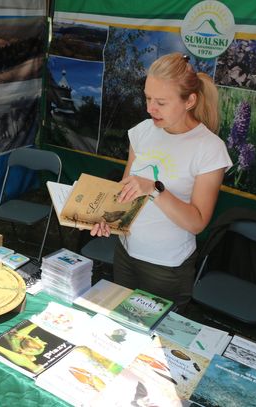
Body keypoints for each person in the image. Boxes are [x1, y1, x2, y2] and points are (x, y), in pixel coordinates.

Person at [91, 52, 232, 308]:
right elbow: (123, 193)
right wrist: (107, 221)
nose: (150, 108)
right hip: (126, 253)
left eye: (161, 102)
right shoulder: (143, 132)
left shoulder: (209, 149)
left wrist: (154, 189)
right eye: (147, 98)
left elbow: (197, 222)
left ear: (189, 101)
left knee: (155, 342)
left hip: (167, 268)